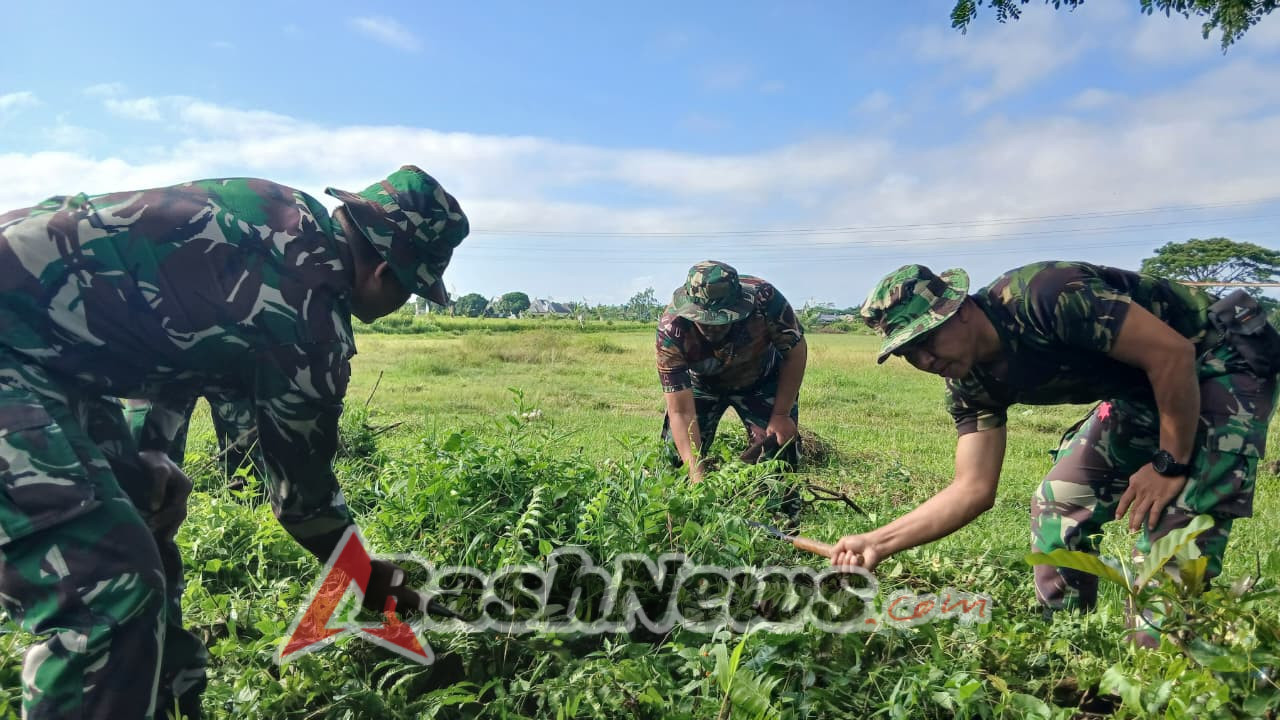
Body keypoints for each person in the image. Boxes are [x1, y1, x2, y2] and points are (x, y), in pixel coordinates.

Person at [0, 165, 468, 718]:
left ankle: (169, 703)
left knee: (144, 534)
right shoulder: (310, 318)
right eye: (411, 290)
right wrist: (372, 581)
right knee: (110, 589)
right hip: (17, 354)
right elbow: (304, 502)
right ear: (385, 273)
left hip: (46, 354)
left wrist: (148, 458)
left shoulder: (270, 208)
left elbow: (163, 330)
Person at [834, 261, 1279, 644]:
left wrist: (1168, 462)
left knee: (1172, 544)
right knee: (1060, 503)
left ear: (962, 310)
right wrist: (877, 542)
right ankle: (1068, 643)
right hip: (1141, 387)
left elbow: (1172, 353)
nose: (926, 360)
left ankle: (1160, 671)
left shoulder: (1045, 297)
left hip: (1218, 358)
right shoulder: (970, 384)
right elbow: (972, 488)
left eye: (928, 340)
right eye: (910, 353)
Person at [656, 260, 807, 483]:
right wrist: (695, 469)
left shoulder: (766, 300)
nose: (713, 328)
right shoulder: (671, 331)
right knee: (676, 464)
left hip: (761, 380)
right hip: (702, 385)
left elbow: (795, 351)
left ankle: (777, 516)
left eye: (721, 320)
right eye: (704, 321)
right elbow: (681, 412)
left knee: (777, 457)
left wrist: (781, 414)